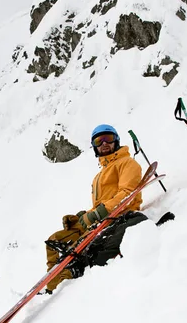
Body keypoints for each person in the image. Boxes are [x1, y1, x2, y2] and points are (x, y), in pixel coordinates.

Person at [42, 124, 173, 294]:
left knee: (81, 253)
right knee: (55, 240)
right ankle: (51, 281)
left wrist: (98, 213)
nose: (104, 143)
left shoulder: (127, 163)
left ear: (116, 141)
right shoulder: (100, 174)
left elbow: (126, 194)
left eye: (108, 139)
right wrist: (85, 215)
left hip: (119, 215)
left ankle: (63, 279)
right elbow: (103, 201)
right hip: (100, 219)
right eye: (99, 140)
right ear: (95, 147)